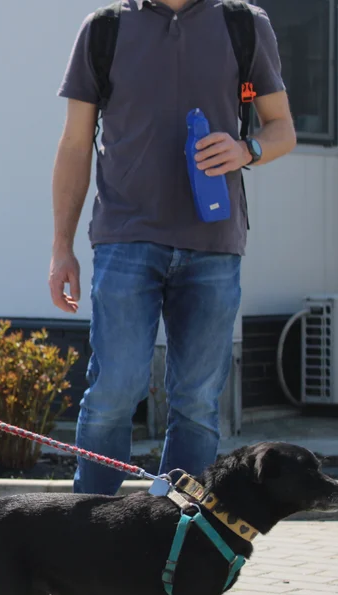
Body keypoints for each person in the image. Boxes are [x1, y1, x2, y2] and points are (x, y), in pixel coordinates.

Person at [49, 0, 296, 494]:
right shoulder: (105, 30)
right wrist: (62, 246)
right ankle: (88, 536)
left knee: (198, 403)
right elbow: (76, 144)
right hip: (125, 239)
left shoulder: (243, 24)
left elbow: (282, 128)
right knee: (115, 391)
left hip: (214, 245)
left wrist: (246, 149)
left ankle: (179, 538)